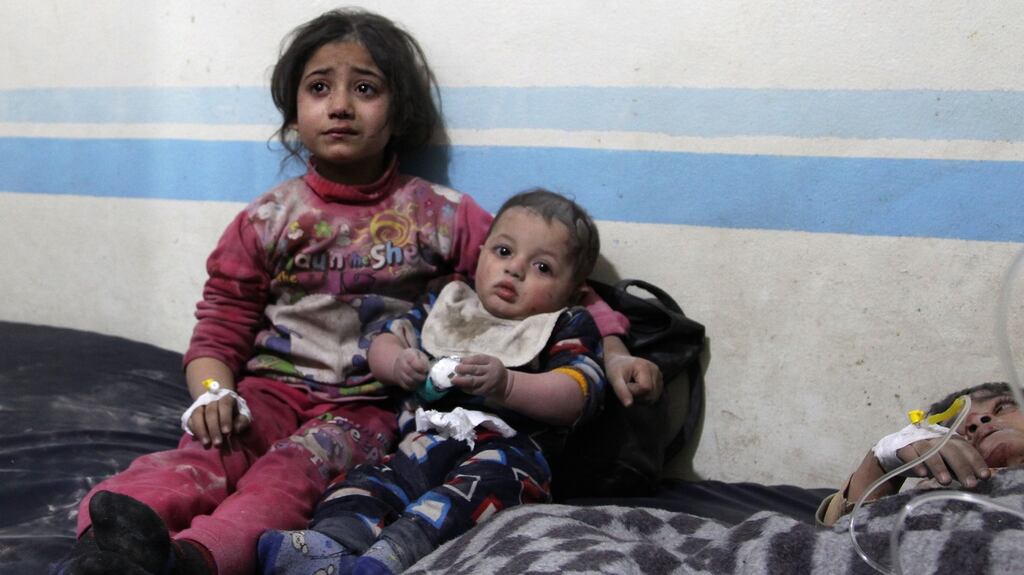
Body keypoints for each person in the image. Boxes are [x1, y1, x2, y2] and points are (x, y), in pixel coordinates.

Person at [53, 9, 658, 575]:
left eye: (365, 89)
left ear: (400, 113)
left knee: (286, 482)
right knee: (194, 459)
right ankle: (105, 547)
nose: (340, 106)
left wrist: (614, 351)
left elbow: (553, 300)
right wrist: (213, 394)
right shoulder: (268, 217)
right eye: (320, 88)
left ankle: (195, 560)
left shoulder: (442, 214)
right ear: (294, 110)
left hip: (366, 407)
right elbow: (221, 323)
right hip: (265, 390)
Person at [257, 189, 609, 575]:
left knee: (480, 492)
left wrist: (507, 385)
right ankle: (327, 545)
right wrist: (398, 363)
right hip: (420, 445)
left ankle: (393, 555)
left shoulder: (565, 324)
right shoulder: (448, 302)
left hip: (507, 452)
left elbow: (576, 394)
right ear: (481, 253)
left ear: (576, 291)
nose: (515, 270)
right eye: (504, 252)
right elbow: (382, 342)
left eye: (543, 267)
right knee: (364, 482)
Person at [818, 381, 1020, 525]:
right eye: (956, 429)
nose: (977, 420)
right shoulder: (931, 503)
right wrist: (878, 465)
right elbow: (833, 545)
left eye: (1002, 407)